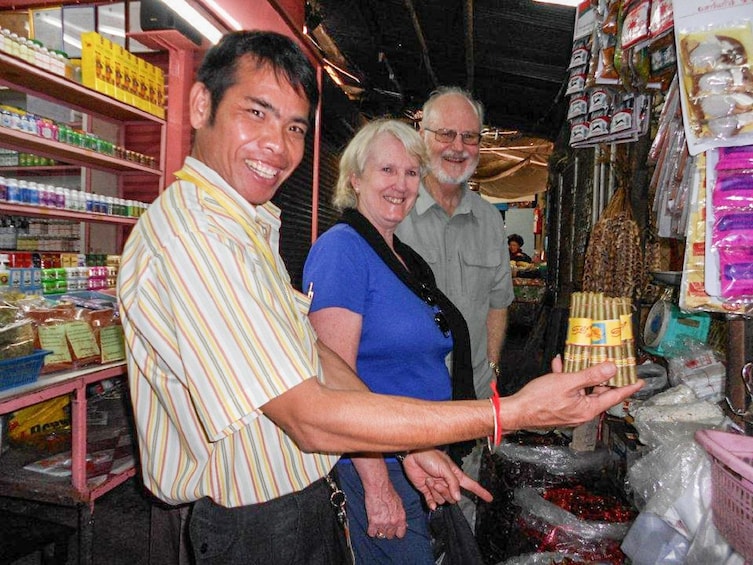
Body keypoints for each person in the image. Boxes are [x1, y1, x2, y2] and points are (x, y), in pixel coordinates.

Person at [117, 30, 644, 565]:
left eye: (294, 126)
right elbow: (312, 416)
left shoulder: (246, 229)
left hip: (298, 504)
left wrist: (412, 444)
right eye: (256, 113)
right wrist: (511, 413)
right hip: (255, 523)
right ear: (202, 104)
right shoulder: (200, 239)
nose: (277, 144)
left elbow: (316, 356)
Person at [303, 119, 478, 563]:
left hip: (416, 457)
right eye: (386, 170)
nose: (400, 184)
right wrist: (377, 485)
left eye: (411, 172)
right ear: (355, 179)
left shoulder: (402, 257)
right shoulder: (342, 250)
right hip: (376, 469)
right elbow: (334, 384)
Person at [396, 87, 513, 400]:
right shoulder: (393, 211)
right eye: (446, 134)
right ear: (422, 137)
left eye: (470, 137)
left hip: (470, 398)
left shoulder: (490, 220)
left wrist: (492, 368)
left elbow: (497, 304)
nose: (458, 147)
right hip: (404, 400)